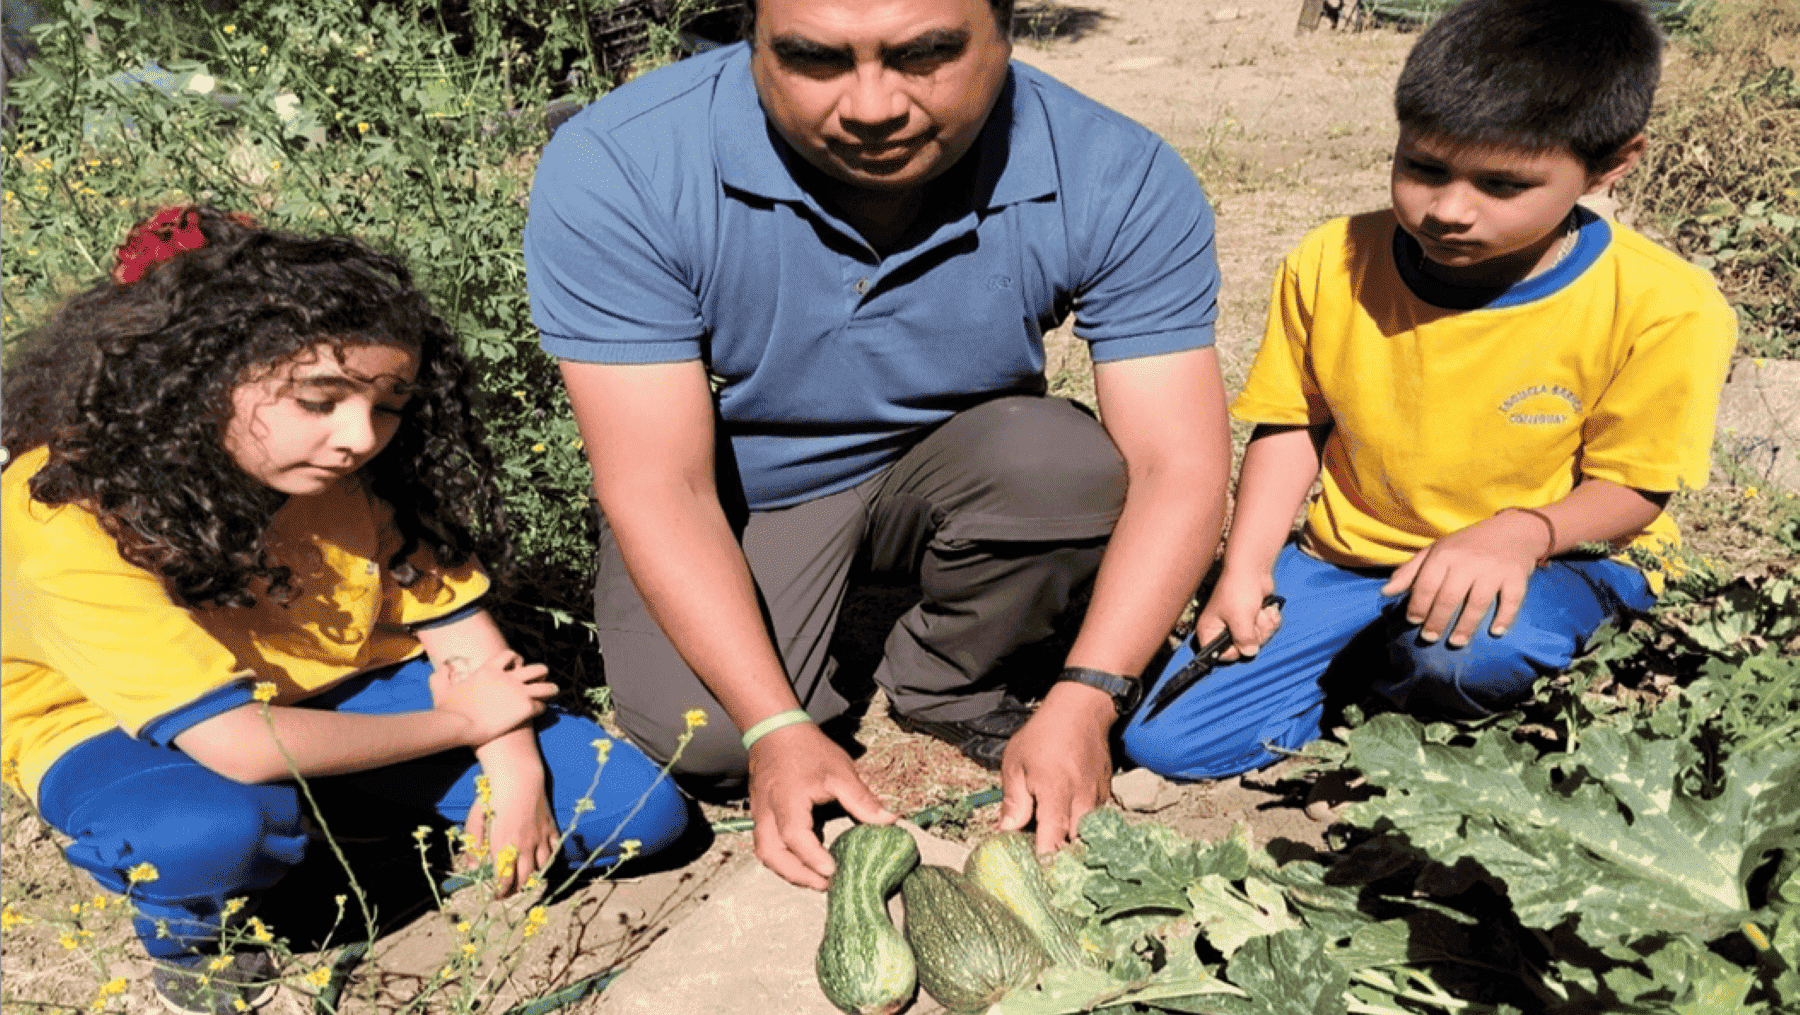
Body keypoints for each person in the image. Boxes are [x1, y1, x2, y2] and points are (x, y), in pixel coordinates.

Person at [524, 0, 1231, 889]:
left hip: (964, 460)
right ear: (752, 38)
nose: (871, 105)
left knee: (1068, 467)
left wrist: (1090, 693)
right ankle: (796, 661)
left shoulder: (1113, 171)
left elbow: (1181, 466)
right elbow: (659, 485)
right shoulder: (622, 164)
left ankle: (946, 673)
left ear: (1009, 32)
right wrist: (776, 727)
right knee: (703, 737)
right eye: (815, 59)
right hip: (748, 482)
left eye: (924, 54)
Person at [0, 207, 689, 1015]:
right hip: (116, 724)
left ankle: (329, 820)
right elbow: (241, 743)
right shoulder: (66, 512)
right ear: (198, 378)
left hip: (330, 689)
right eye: (321, 399)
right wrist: (466, 723)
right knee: (200, 831)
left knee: (636, 812)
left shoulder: (346, 471)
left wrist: (515, 765)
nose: (360, 436)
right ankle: (194, 935)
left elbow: (459, 633)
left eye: (388, 404)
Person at [1121, 0, 1738, 780]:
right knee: (1168, 742)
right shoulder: (1330, 260)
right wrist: (1247, 567)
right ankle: (1371, 671)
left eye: (1502, 184)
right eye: (1423, 168)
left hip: (1559, 555)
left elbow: (1636, 485)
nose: (1448, 208)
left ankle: (1416, 685)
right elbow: (1291, 424)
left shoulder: (1665, 305)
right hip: (1350, 560)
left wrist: (1523, 532)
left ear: (1612, 163)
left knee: (1473, 653)